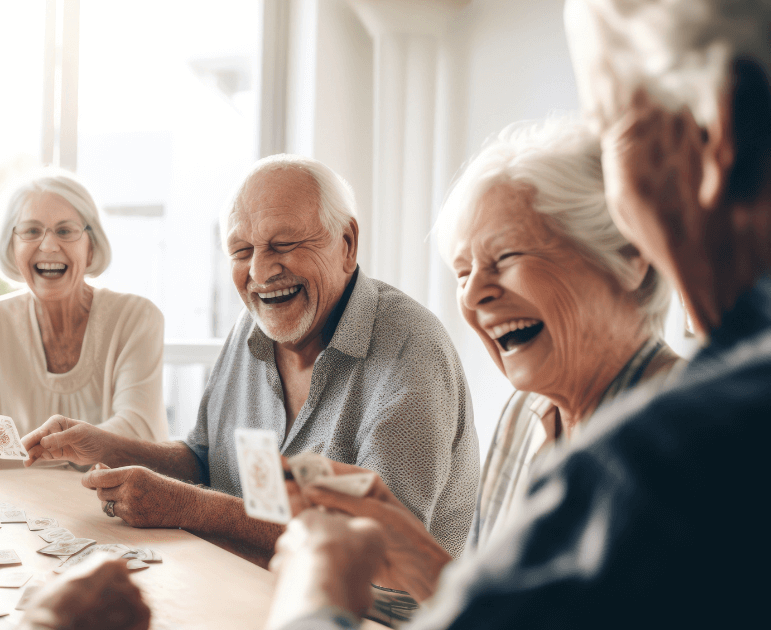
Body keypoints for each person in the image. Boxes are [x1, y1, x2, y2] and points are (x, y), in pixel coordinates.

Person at [265, 0, 771, 627]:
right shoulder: (523, 417)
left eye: (504, 257)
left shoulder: (662, 452)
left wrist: (317, 584)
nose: (474, 296)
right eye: (461, 272)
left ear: (628, 256)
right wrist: (406, 543)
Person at [23, 154, 479, 561]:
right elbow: (206, 461)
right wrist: (106, 446)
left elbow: (379, 545)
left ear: (347, 244)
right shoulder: (253, 325)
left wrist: (189, 506)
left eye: (283, 245)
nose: (260, 272)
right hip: (250, 591)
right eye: (242, 251)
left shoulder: (412, 348)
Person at [0, 169, 169, 473]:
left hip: (109, 511)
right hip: (12, 515)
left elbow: (138, 433)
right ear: (12, 249)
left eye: (65, 231)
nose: (48, 246)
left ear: (91, 248)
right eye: (31, 231)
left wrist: (55, 445)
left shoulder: (137, 318)